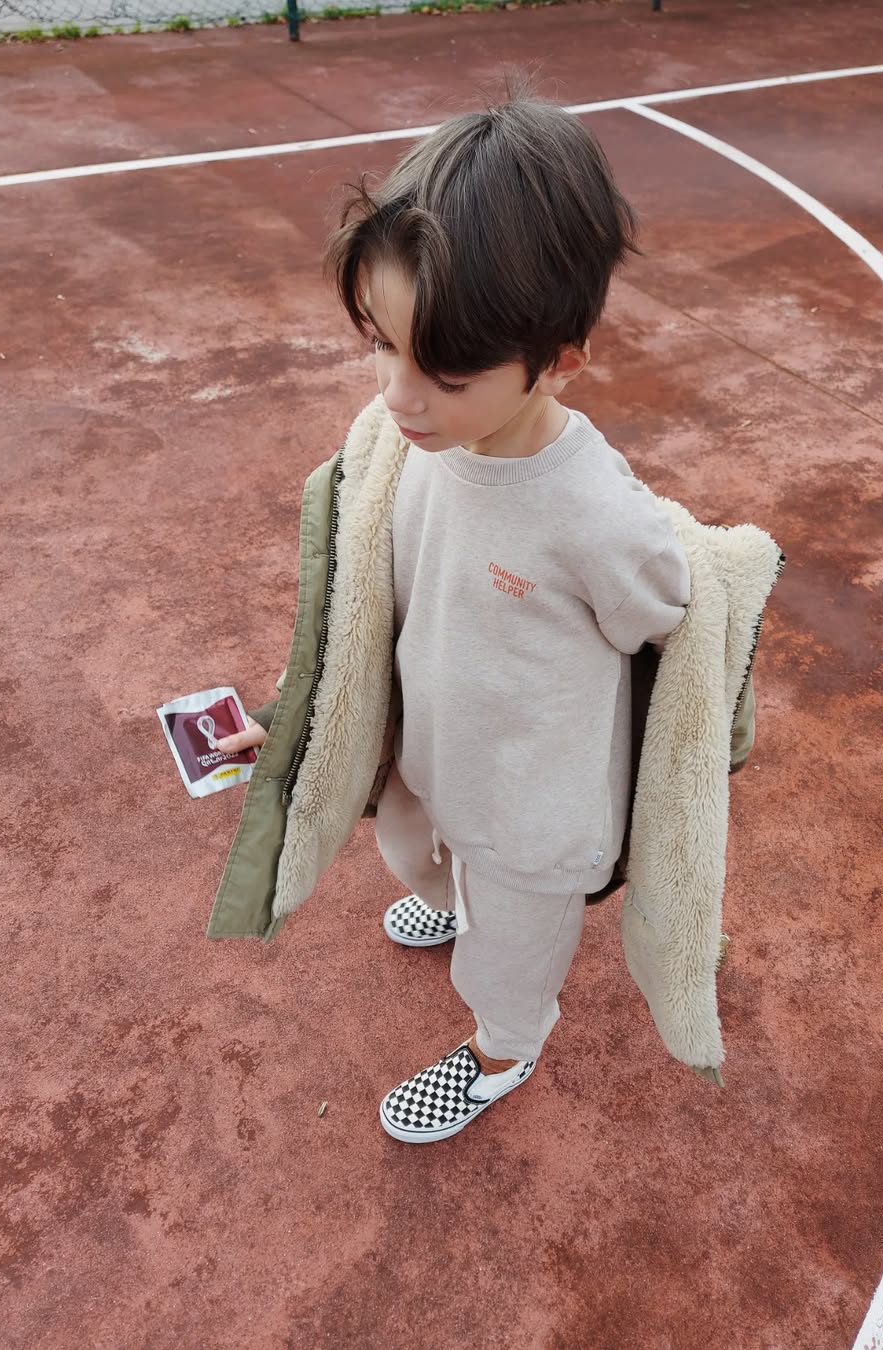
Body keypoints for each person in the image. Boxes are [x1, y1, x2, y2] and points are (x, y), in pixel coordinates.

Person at [213, 91, 693, 1143]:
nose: (398, 394)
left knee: (508, 952)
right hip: (428, 752)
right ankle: (449, 899)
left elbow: (664, 611)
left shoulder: (595, 513)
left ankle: (504, 1048)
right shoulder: (412, 446)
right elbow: (363, 600)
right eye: (381, 344)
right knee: (416, 853)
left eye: (446, 373)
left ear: (559, 362)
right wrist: (295, 715)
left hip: (532, 810)